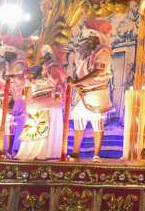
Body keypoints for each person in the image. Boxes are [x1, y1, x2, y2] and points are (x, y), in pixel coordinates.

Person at [69, 20, 114, 162]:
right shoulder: (85, 54)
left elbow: (95, 73)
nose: (87, 41)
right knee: (79, 122)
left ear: (98, 39)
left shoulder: (103, 54)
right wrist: (77, 86)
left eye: (90, 38)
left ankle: (96, 155)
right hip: (82, 93)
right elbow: (79, 72)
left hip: (96, 93)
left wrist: (76, 83)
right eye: (87, 38)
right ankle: (75, 153)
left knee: (97, 124)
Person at [16, 44, 66, 160]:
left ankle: (42, 153)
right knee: (32, 128)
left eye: (46, 54)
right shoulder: (37, 69)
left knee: (44, 127)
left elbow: (59, 82)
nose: (42, 56)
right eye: (42, 54)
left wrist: (57, 94)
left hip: (48, 103)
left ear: (52, 56)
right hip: (36, 103)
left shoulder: (54, 68)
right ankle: (30, 152)